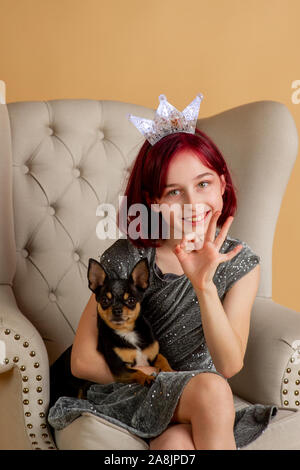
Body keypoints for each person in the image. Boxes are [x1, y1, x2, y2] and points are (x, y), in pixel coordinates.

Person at [48, 94, 277, 450]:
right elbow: (82, 360)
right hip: (134, 391)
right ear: (153, 202)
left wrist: (204, 287)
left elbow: (229, 363)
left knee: (177, 446)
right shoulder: (128, 258)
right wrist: (155, 377)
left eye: (203, 184)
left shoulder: (241, 262)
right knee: (212, 389)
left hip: (197, 403)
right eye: (174, 192)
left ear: (222, 183)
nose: (192, 204)